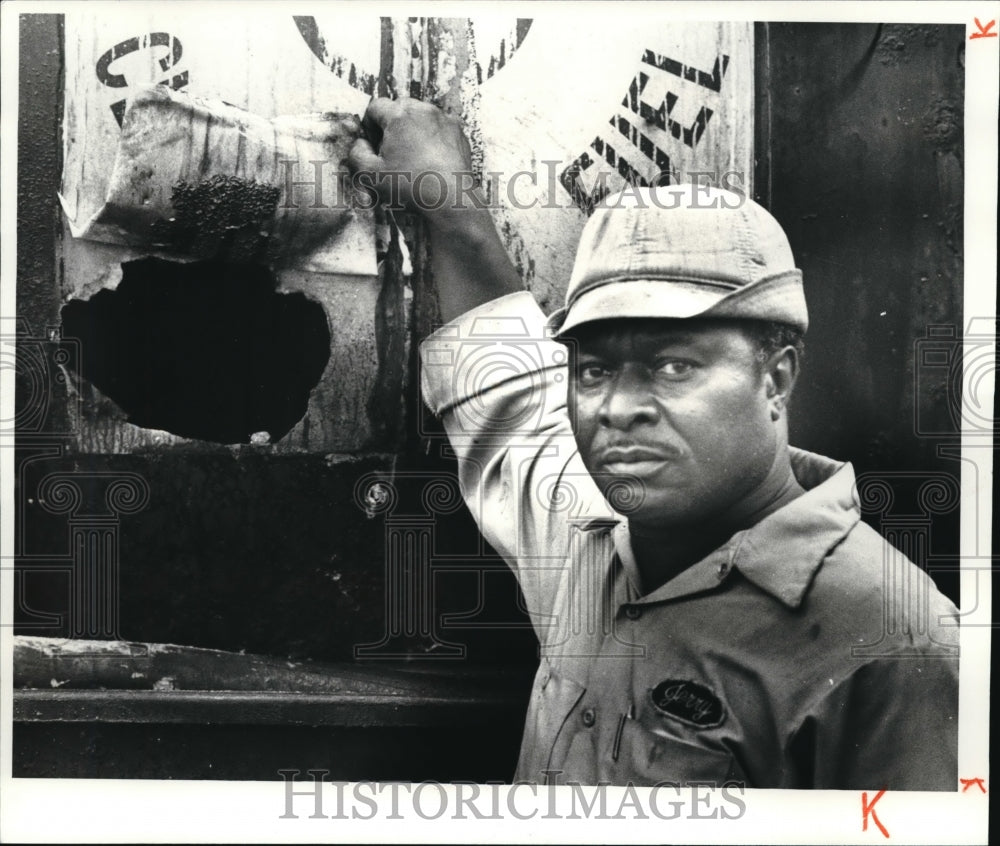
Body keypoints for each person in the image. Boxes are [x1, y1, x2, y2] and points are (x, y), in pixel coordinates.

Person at [349, 98, 959, 790]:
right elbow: (516, 402)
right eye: (594, 369)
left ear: (777, 377)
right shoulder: (586, 544)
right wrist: (451, 209)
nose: (618, 409)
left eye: (675, 367)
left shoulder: (890, 642)